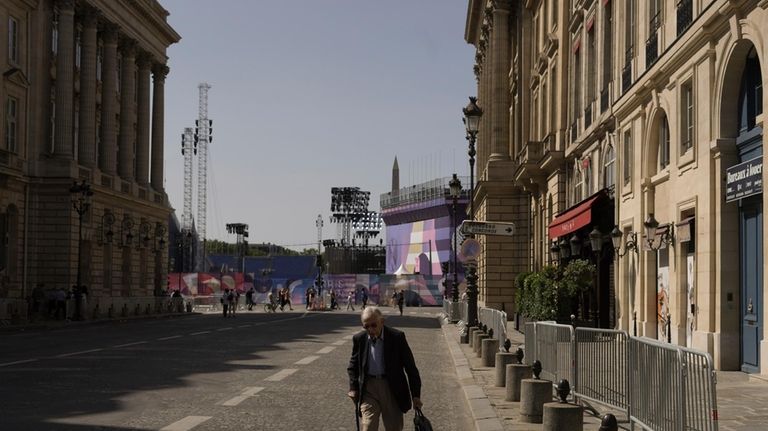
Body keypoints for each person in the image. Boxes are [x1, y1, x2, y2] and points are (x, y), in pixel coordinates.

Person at [347, 306, 422, 431]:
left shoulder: (397, 337)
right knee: (368, 427)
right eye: (366, 326)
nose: (370, 329)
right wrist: (353, 387)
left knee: (394, 428)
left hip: (392, 388)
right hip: (369, 389)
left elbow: (411, 368)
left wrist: (416, 395)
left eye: (373, 325)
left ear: (382, 321)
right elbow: (352, 366)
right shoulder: (360, 339)